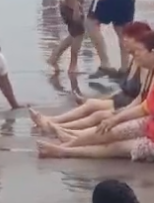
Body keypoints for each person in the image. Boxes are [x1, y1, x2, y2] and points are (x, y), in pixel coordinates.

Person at [36, 31, 154, 161]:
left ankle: (65, 150)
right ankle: (69, 143)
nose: (135, 54)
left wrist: (118, 116)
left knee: (117, 146)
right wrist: (116, 119)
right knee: (111, 130)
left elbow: (142, 105)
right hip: (148, 122)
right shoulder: (148, 69)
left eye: (139, 50)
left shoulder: (146, 70)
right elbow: (144, 107)